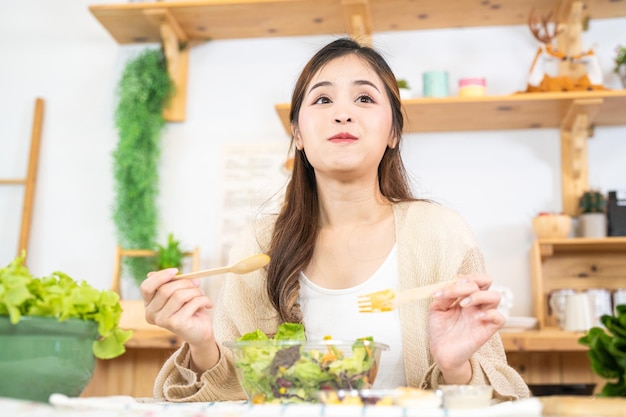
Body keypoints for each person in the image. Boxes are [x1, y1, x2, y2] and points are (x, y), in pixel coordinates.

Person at [141, 37, 531, 402]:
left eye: (364, 98)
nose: (343, 114)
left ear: (393, 131)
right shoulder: (259, 247)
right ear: (298, 133)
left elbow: (503, 397)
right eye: (323, 100)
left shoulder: (443, 235)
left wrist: (456, 367)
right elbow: (235, 397)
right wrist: (201, 344)